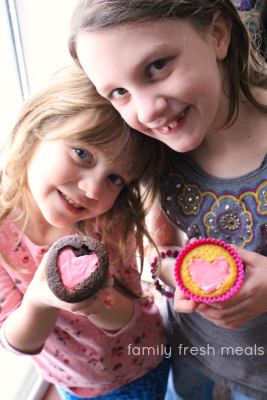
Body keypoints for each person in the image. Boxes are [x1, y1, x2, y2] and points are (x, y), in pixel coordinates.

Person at [67, 1, 267, 399]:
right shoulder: (154, 149)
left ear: (217, 34)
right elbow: (163, 249)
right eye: (119, 92)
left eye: (156, 67)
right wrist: (174, 273)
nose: (147, 110)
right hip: (189, 350)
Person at [0, 64, 171, 400]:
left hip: (142, 363)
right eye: (82, 154)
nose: (93, 191)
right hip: (73, 381)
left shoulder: (107, 221)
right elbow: (18, 342)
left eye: (115, 179)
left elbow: (130, 315)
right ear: (38, 125)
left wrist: (93, 302)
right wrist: (40, 300)